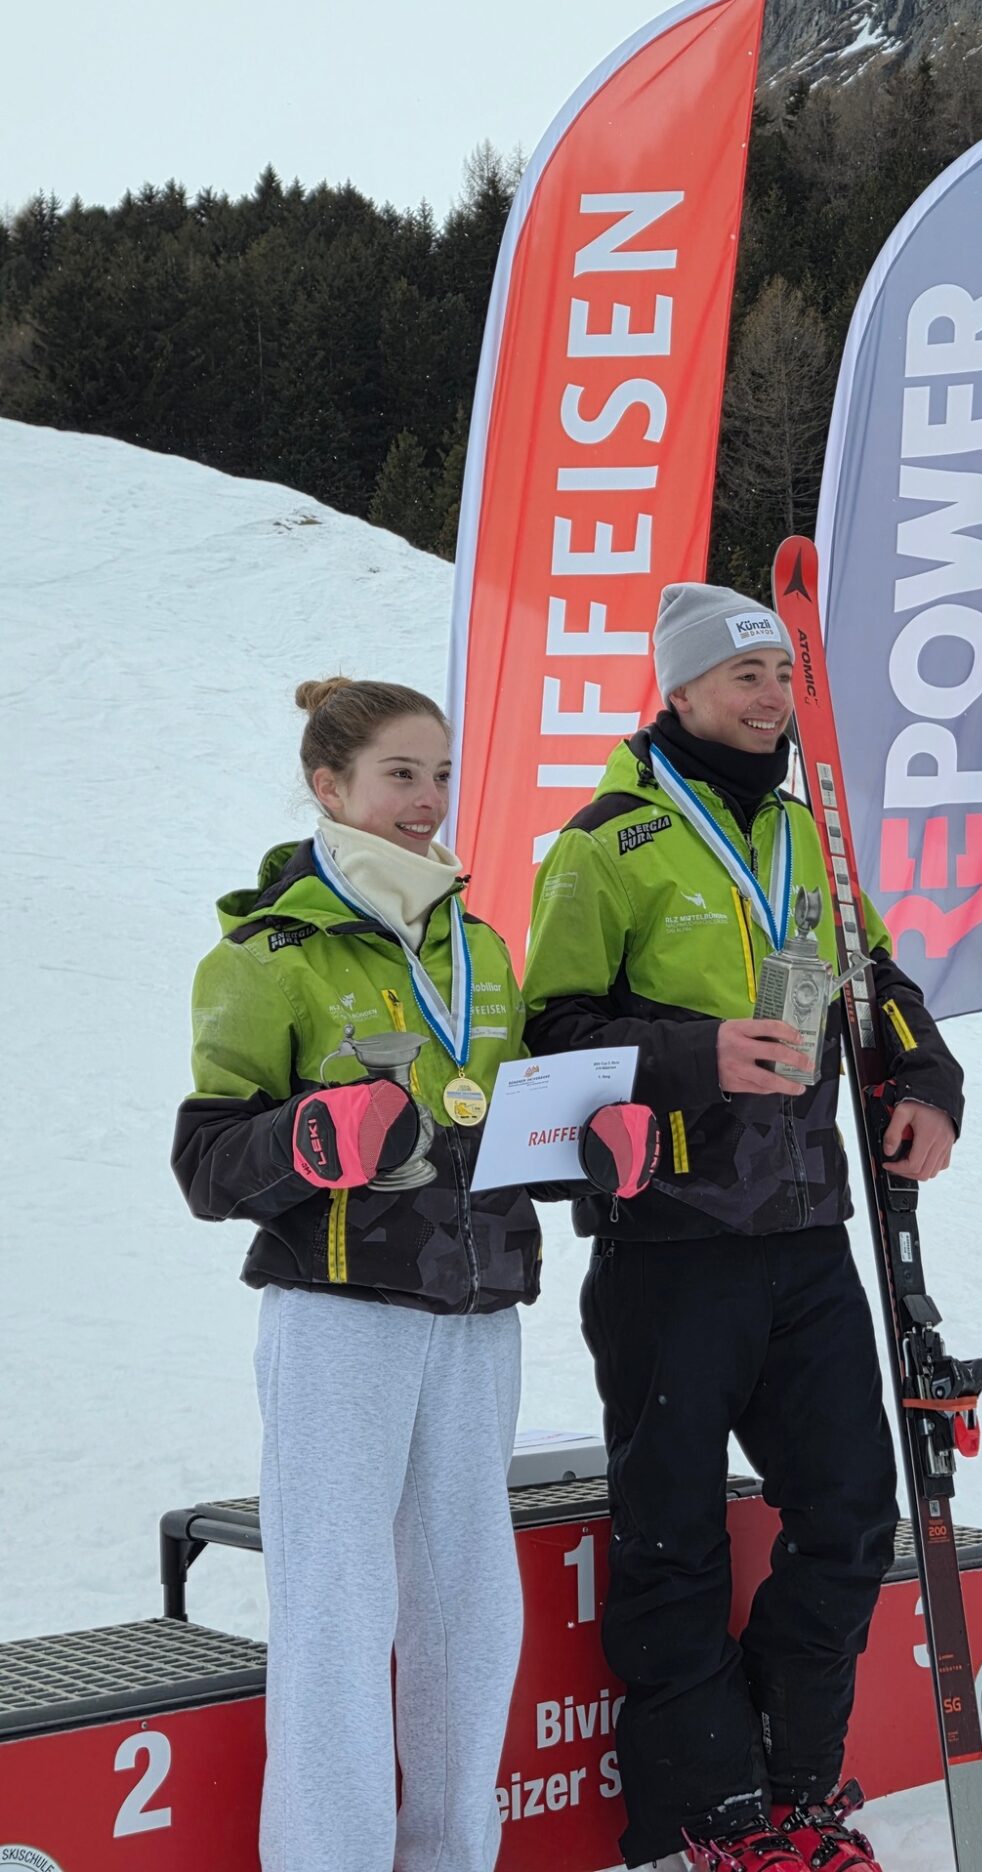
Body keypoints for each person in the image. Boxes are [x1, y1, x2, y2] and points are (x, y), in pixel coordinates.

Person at [171, 676, 657, 1872]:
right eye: (399, 773)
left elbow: (498, 1124)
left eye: (440, 773)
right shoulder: (268, 952)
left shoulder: (475, 945)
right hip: (340, 1317)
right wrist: (308, 1136)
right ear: (329, 786)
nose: (427, 797)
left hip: (477, 1313)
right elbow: (207, 1160)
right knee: (338, 1609)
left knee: (468, 1613)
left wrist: (587, 1147)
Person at [523, 585, 965, 1872]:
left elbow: (878, 986)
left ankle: (793, 1786)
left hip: (808, 1232)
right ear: (679, 690)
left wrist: (928, 1082)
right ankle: (710, 1813)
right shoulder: (605, 846)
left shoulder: (809, 835)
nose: (772, 696)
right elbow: (546, 1036)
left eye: (780, 673)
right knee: (672, 1537)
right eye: (744, 676)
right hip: (669, 1242)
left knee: (851, 1512)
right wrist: (694, 1053)